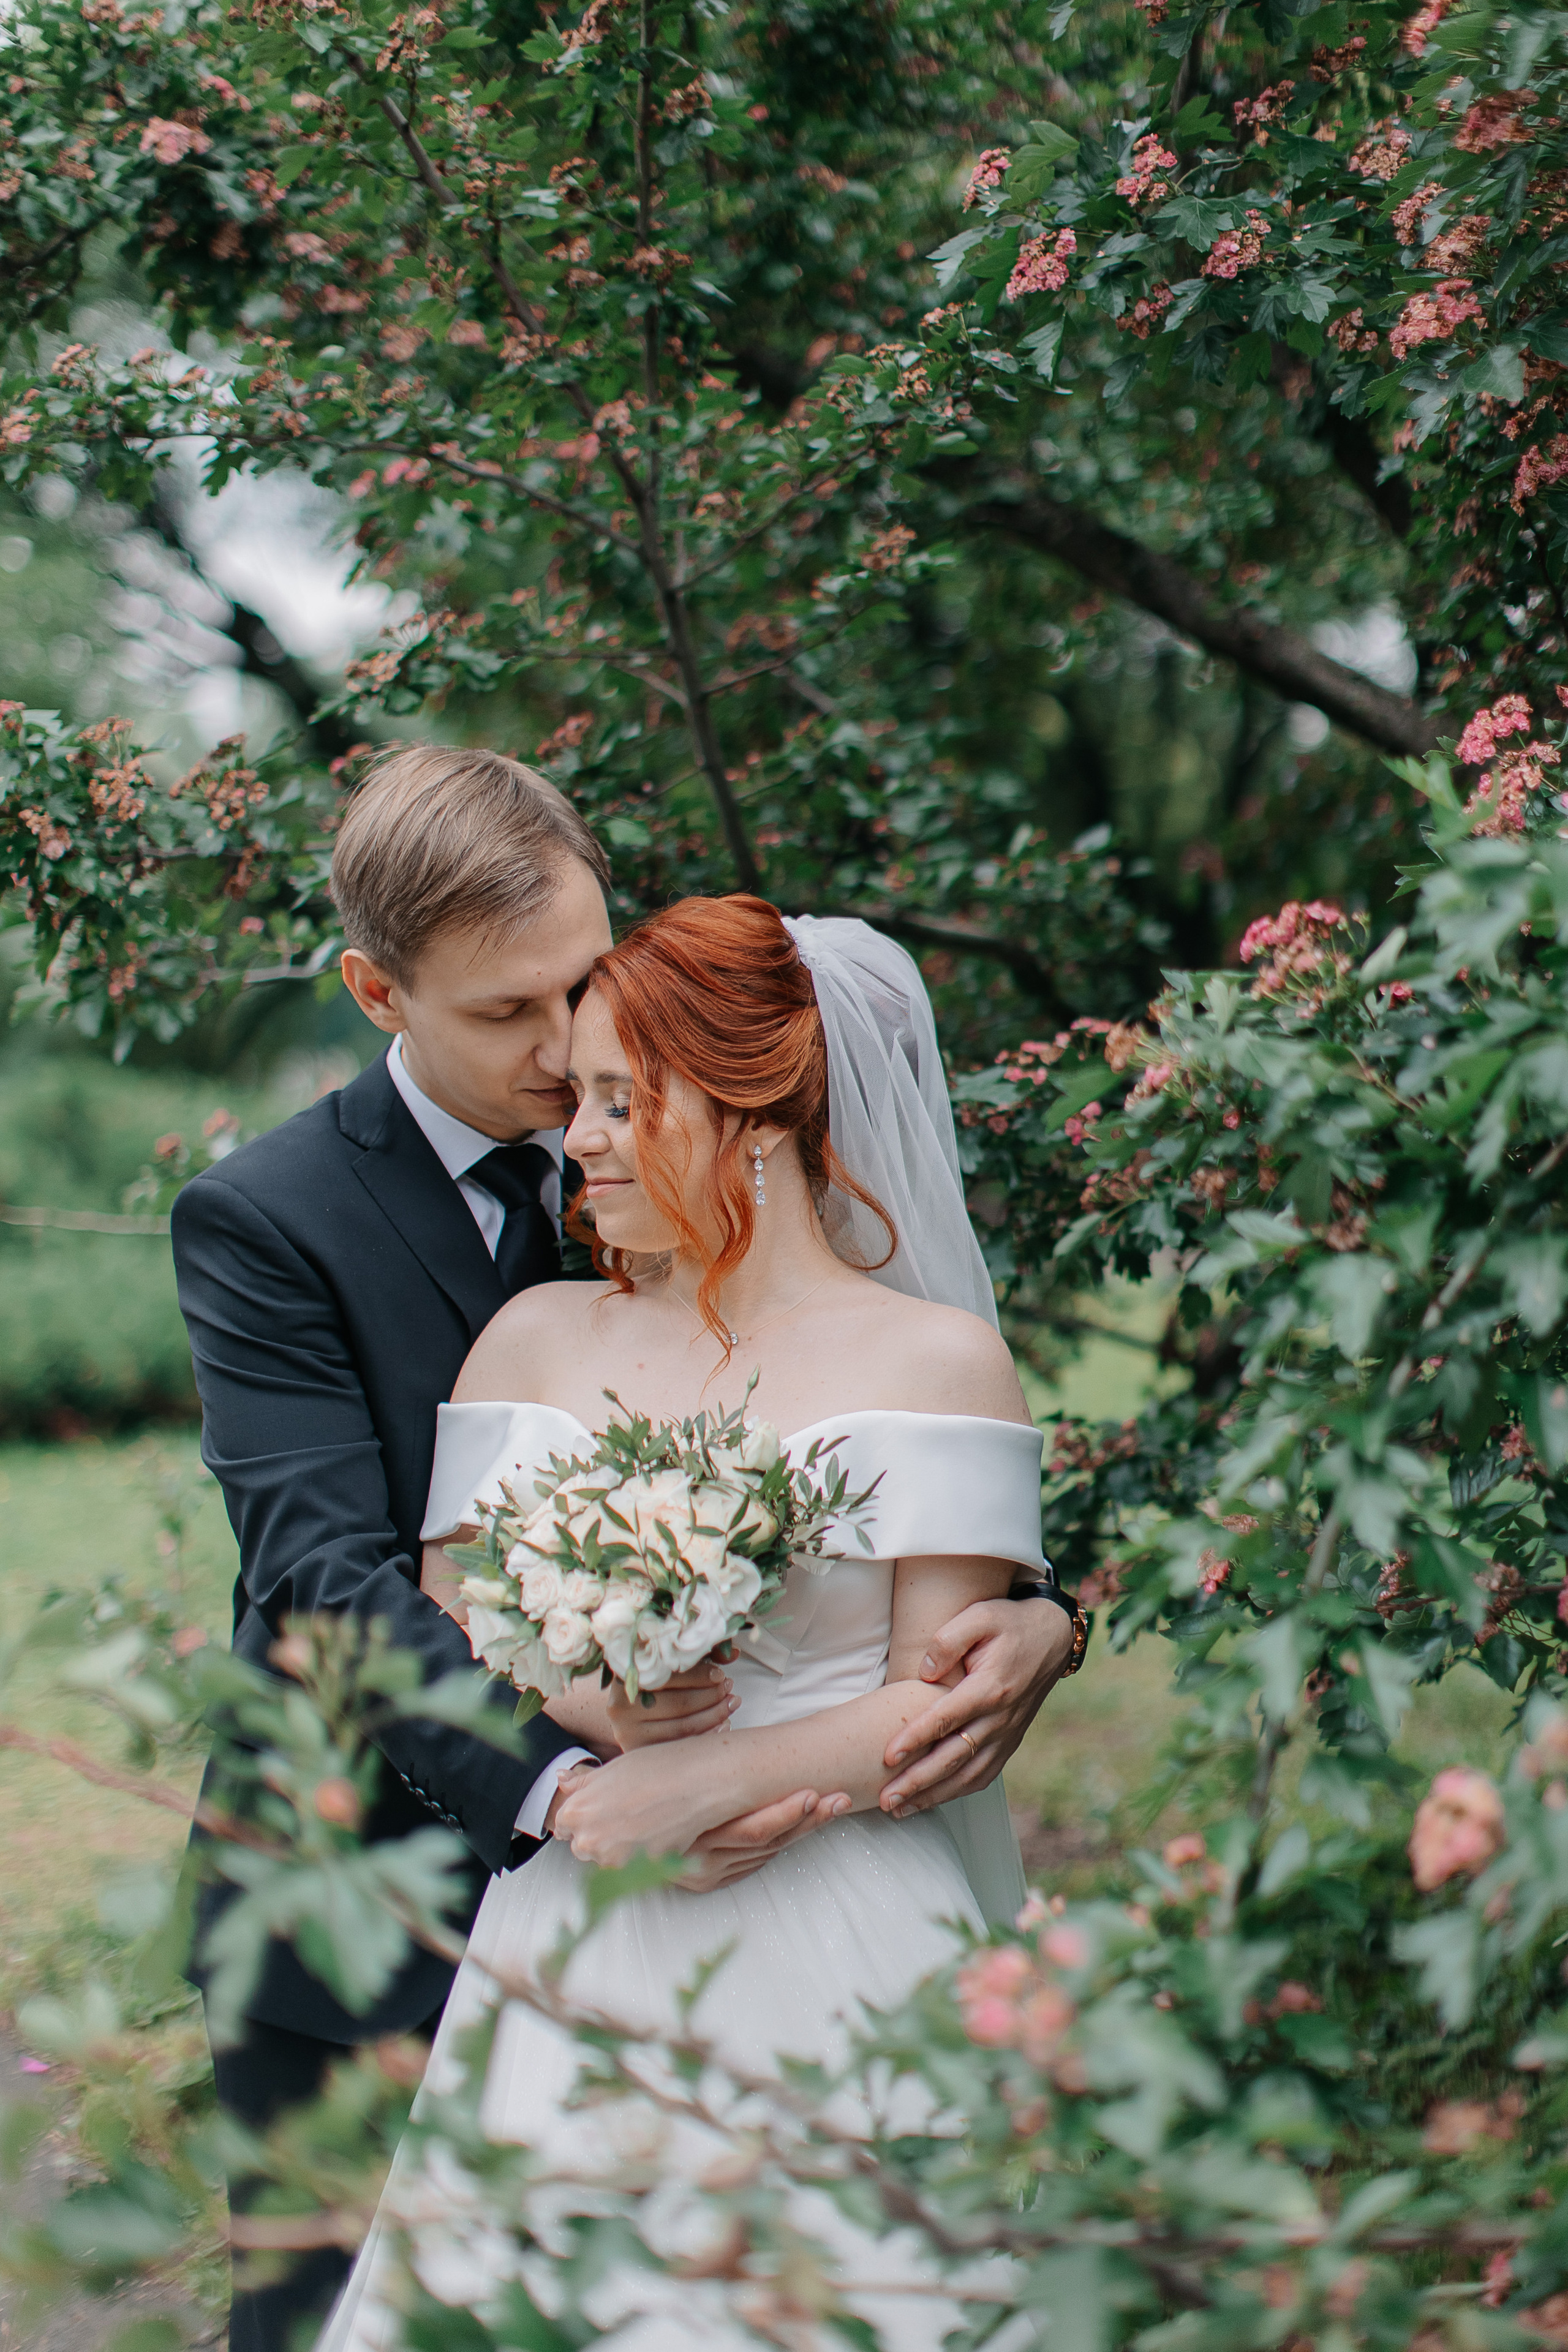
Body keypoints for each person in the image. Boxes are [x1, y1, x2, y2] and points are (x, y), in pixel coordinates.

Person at [172, 754, 1076, 2352]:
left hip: (800, 1900)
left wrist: (1040, 1615)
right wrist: (581, 1785)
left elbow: (879, 1450)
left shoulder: (695, 1144)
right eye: (509, 1018)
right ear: (379, 990)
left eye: (583, 1002)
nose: (561, 1065)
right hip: (380, 1913)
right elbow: (325, 1575)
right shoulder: (272, 1220)